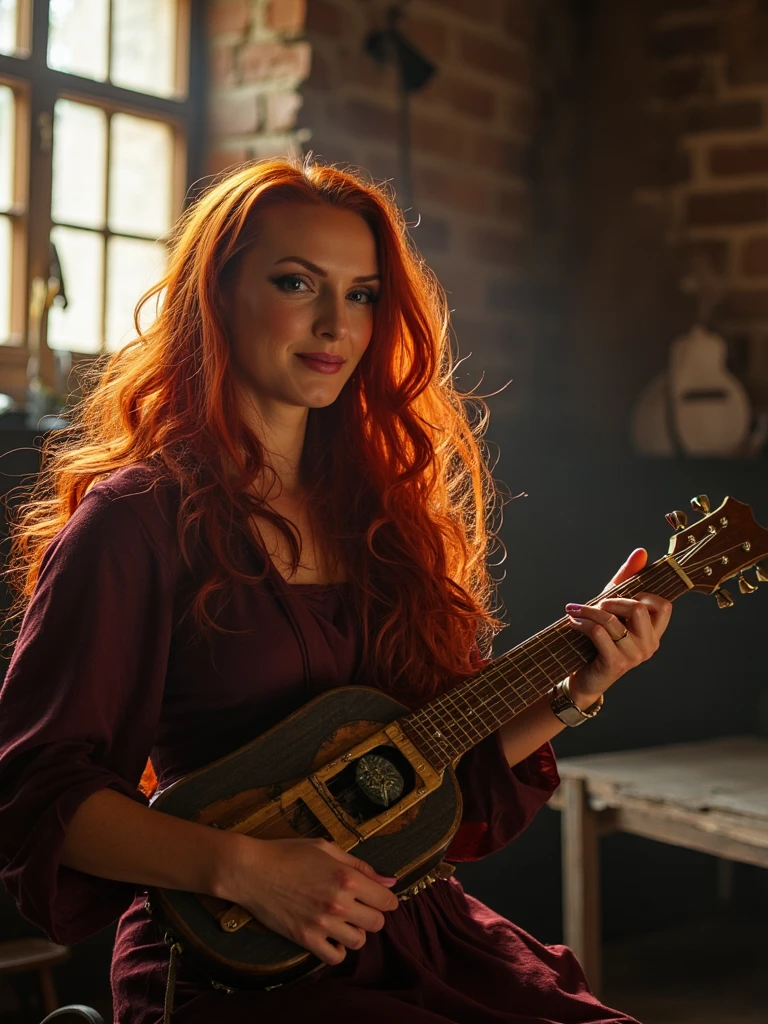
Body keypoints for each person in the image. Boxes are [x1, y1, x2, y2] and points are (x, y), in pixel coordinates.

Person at [0, 158, 671, 1024]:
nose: (335, 324)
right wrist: (245, 869)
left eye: (361, 294)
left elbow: (430, 759)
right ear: (217, 295)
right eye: (296, 283)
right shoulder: (134, 522)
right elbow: (32, 794)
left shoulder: (381, 519)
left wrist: (578, 690)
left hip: (415, 932)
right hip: (233, 956)